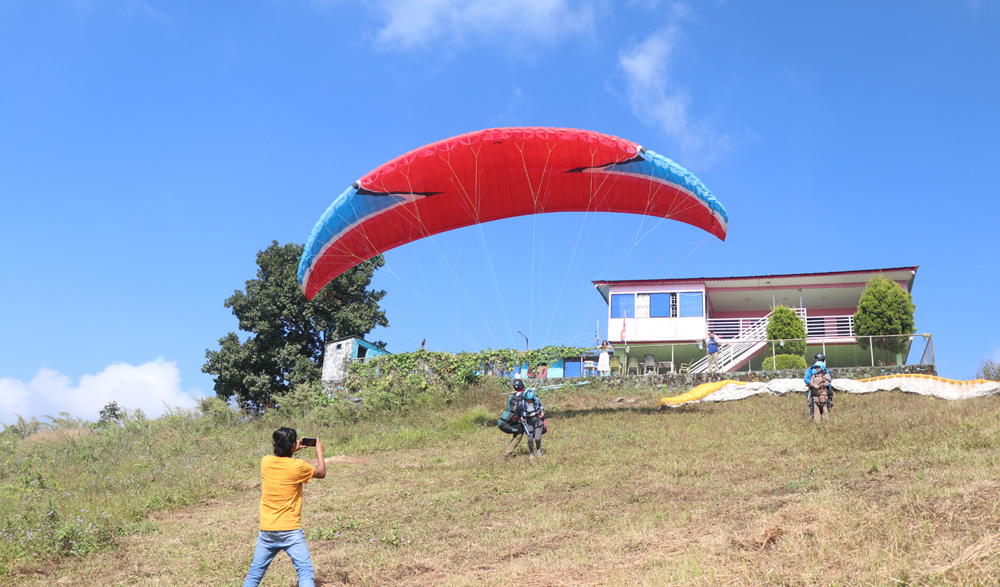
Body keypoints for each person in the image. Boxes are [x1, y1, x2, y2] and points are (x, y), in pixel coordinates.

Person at [243, 427, 326, 587]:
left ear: (275, 445)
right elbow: (321, 473)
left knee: (254, 574)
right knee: (304, 572)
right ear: (292, 444)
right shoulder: (299, 466)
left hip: (267, 530)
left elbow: (282, 459)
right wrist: (319, 453)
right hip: (290, 531)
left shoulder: (265, 462)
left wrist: (292, 447)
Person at [804, 354, 833, 424]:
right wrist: (814, 385)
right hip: (813, 391)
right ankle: (814, 420)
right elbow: (807, 379)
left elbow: (829, 381)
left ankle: (826, 420)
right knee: (812, 405)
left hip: (823, 392)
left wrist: (822, 386)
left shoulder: (825, 371)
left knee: (825, 405)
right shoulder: (811, 369)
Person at [519, 389, 546, 459]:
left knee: (537, 438)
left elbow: (541, 407)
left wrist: (542, 412)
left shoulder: (536, 400)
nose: (529, 400)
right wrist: (522, 417)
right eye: (527, 399)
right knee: (530, 439)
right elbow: (520, 411)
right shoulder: (522, 403)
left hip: (537, 421)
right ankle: (531, 453)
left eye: (530, 399)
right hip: (528, 422)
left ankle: (538, 449)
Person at [502, 379, 526, 458]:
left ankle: (508, 452)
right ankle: (507, 453)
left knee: (516, 436)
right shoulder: (525, 395)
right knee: (518, 437)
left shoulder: (512, 396)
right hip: (521, 418)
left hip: (513, 418)